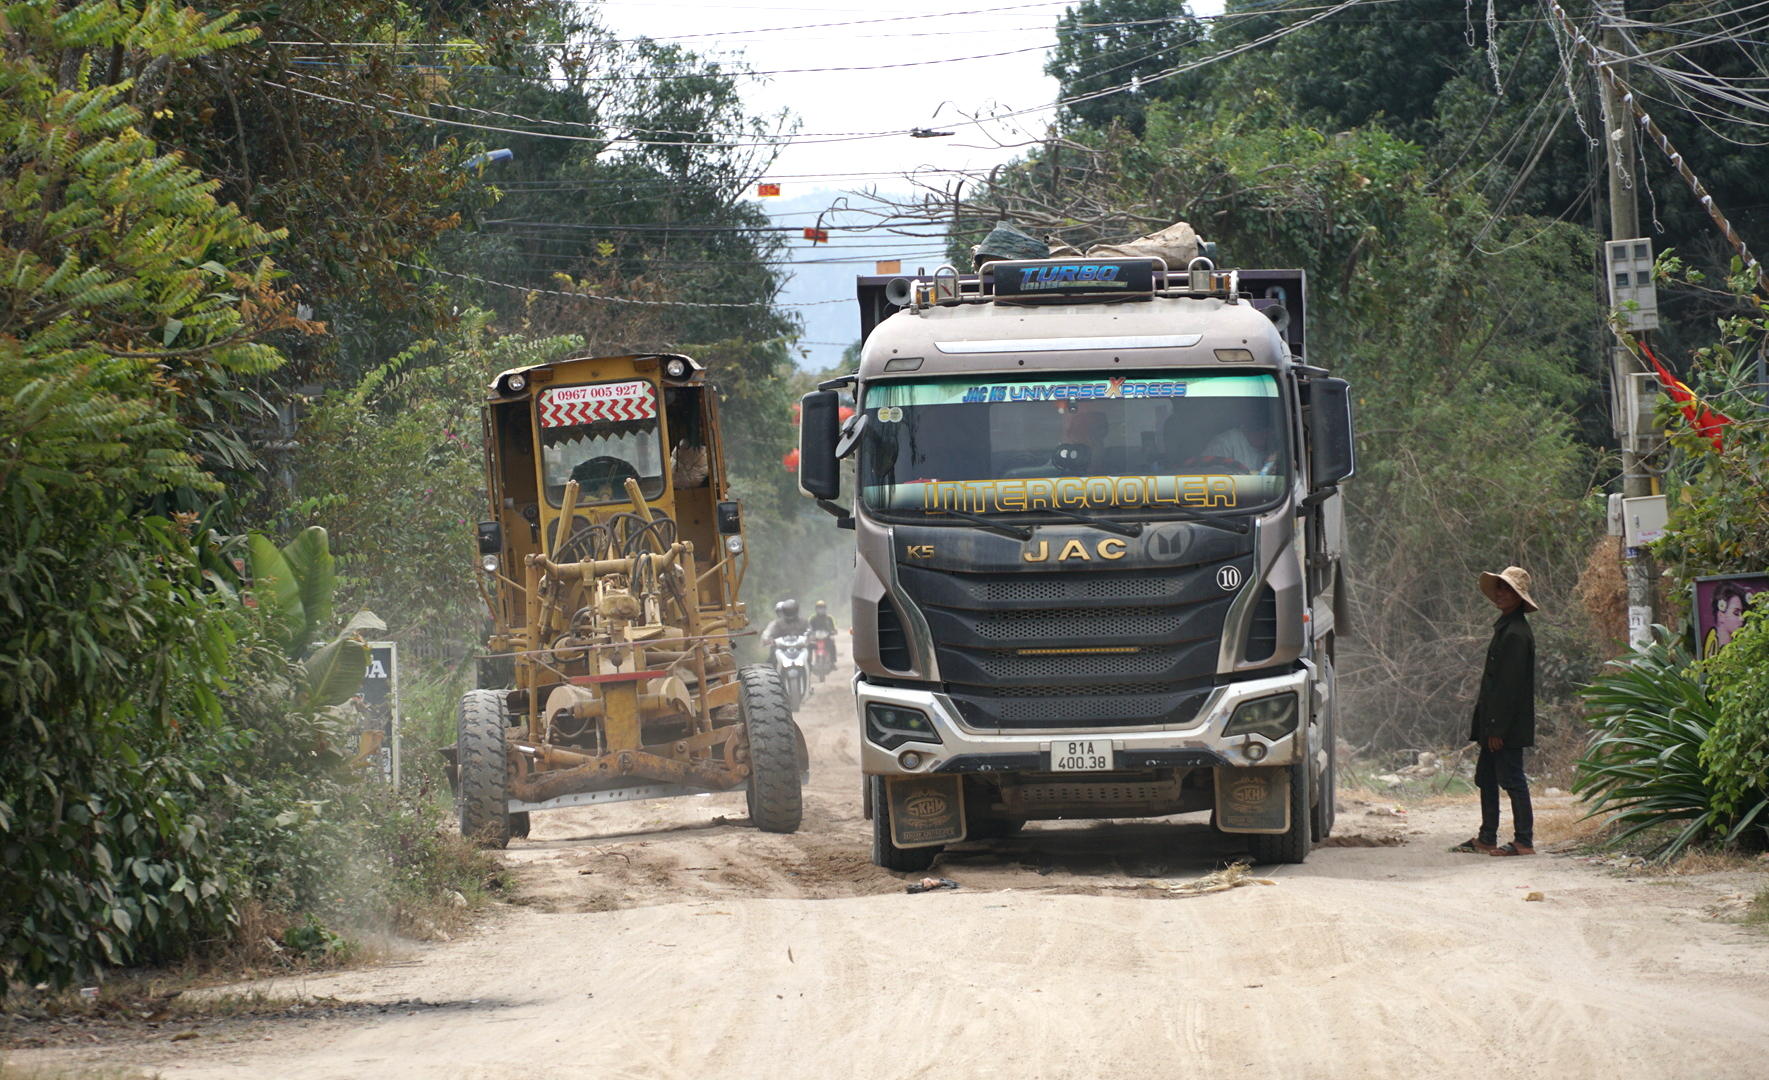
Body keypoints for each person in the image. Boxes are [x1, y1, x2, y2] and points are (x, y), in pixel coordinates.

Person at [1454, 566, 1537, 857]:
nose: (1501, 594)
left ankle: (1524, 841)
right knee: (1486, 778)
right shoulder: (1506, 627)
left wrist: (1497, 729)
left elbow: (1508, 688)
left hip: (1504, 726)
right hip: (1494, 723)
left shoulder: (1515, 633)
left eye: (1508, 590)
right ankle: (1487, 836)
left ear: (1519, 597)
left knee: (1513, 780)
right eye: (1499, 588)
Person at [1702, 579, 1753, 658]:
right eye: (1736, 613)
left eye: (1741, 613)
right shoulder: (1712, 651)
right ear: (1721, 616)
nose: (1742, 618)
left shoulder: (1743, 650)